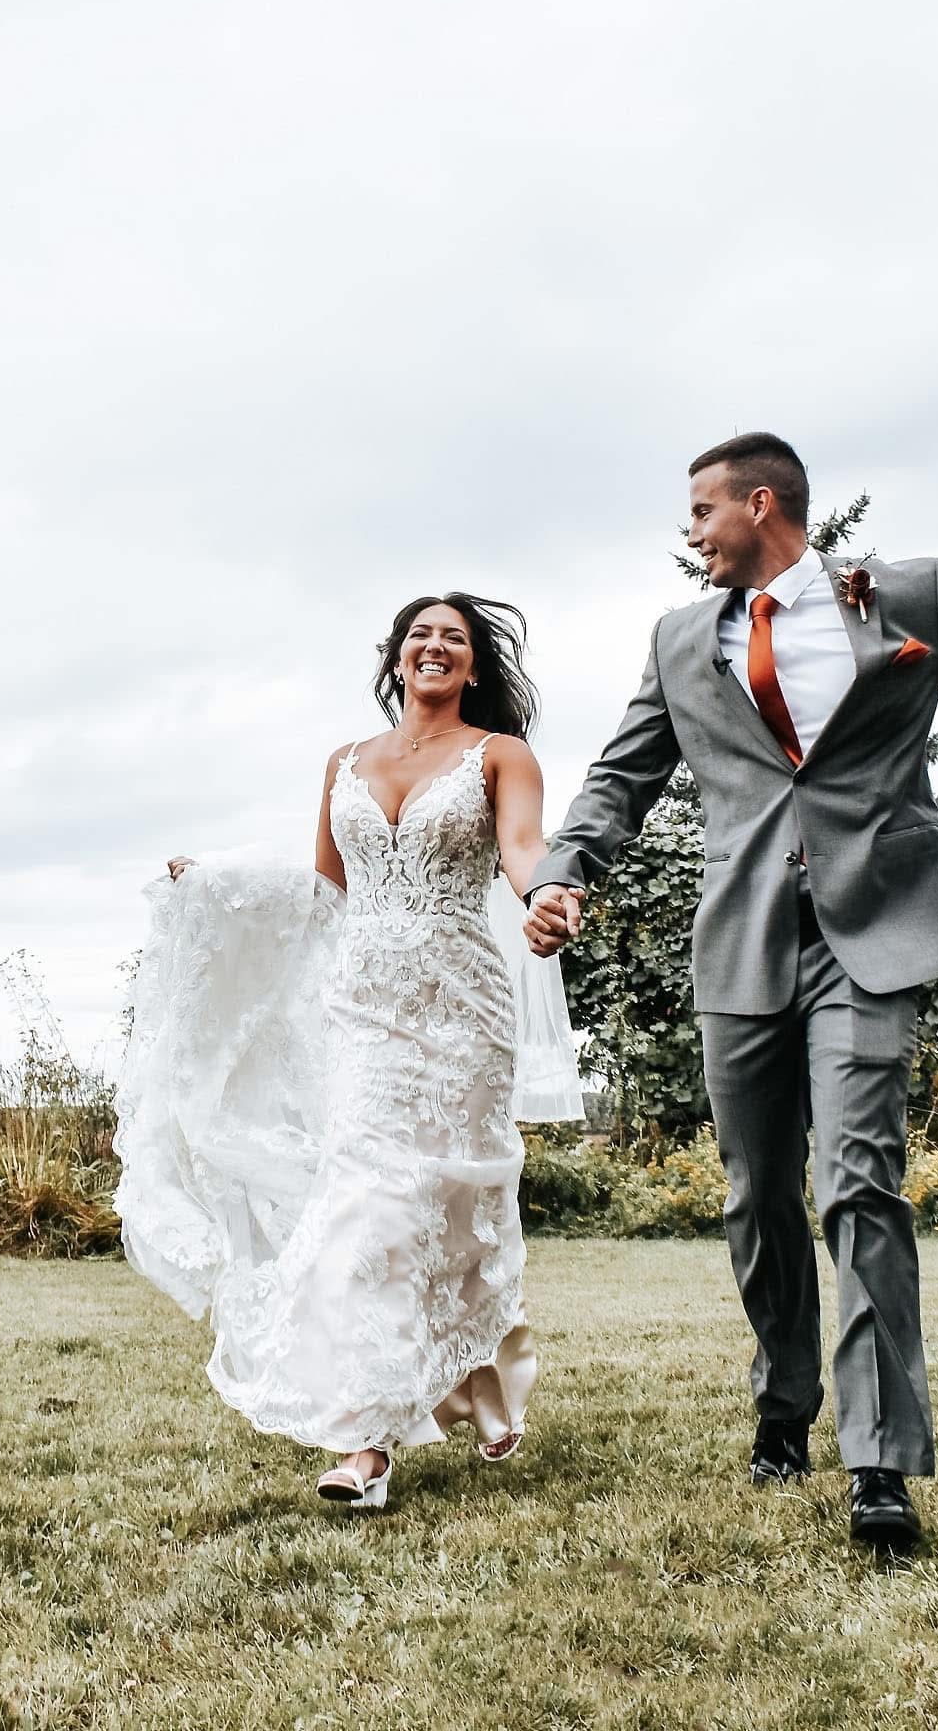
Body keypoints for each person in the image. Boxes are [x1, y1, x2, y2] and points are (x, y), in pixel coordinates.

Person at [525, 433, 938, 1549]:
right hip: (745, 940)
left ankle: (879, 1462)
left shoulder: (905, 593)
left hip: (879, 931)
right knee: (758, 1192)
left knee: (859, 1182)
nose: (692, 535)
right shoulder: (679, 638)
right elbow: (622, 773)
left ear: (762, 504)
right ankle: (783, 1400)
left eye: (703, 513)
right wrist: (566, 871)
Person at [115, 593, 582, 1510]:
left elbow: (524, 850)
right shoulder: (344, 761)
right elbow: (322, 896)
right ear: (397, 659)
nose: (435, 646)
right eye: (420, 635)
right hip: (362, 1010)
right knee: (366, 1206)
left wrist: (546, 897)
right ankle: (361, 1443)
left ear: (475, 665)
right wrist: (216, 887)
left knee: (450, 1204)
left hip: (461, 1004)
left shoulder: (500, 756)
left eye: (454, 637)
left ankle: (478, 1380)